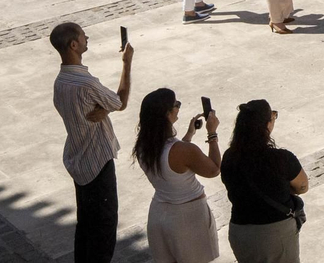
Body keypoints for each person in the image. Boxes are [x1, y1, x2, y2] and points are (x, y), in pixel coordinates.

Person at [50, 20, 133, 263]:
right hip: (98, 163)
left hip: (79, 162)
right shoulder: (86, 84)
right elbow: (121, 101)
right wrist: (127, 63)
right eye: (84, 36)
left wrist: (103, 109)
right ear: (74, 44)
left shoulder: (61, 82)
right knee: (103, 231)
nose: (87, 38)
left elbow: (85, 110)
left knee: (85, 226)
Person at [131, 88, 221, 263]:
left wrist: (189, 135)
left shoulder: (144, 146)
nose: (178, 108)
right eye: (176, 105)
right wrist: (212, 133)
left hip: (159, 214)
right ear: (167, 113)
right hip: (187, 218)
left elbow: (172, 162)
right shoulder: (184, 151)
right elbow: (214, 169)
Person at [220, 99, 307, 259]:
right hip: (274, 233)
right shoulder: (281, 159)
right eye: (272, 116)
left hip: (240, 231)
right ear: (266, 125)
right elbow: (302, 186)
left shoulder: (229, 157)